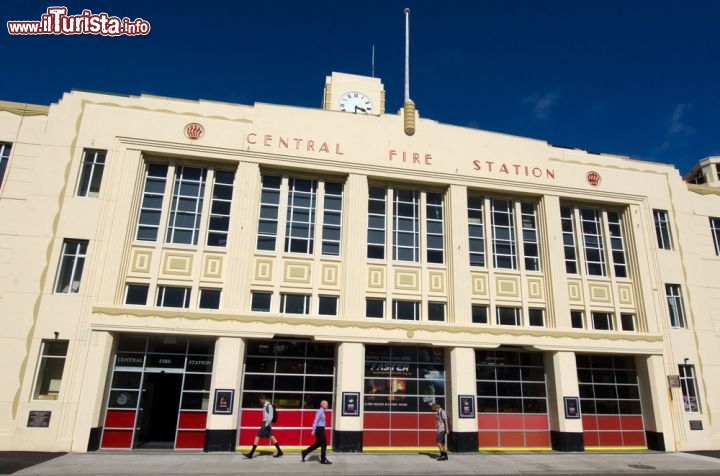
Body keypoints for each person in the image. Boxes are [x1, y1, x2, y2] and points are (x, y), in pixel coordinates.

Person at [301, 400, 332, 464]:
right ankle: (323, 459)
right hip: (319, 429)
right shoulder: (320, 411)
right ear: (322, 405)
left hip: (320, 429)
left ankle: (304, 452)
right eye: (326, 404)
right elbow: (316, 420)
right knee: (324, 444)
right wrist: (313, 430)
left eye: (327, 404)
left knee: (318, 444)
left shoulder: (322, 411)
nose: (327, 405)